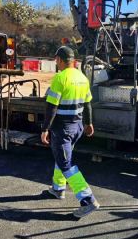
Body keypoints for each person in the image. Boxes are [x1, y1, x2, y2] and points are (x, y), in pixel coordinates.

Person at [41, 46, 100, 218]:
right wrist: (89, 123)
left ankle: (88, 200)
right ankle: (58, 189)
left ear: (59, 60)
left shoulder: (60, 78)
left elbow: (52, 107)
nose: (55, 63)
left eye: (56, 60)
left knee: (66, 163)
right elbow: (88, 103)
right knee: (62, 157)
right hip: (77, 126)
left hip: (63, 128)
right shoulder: (82, 77)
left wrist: (45, 129)